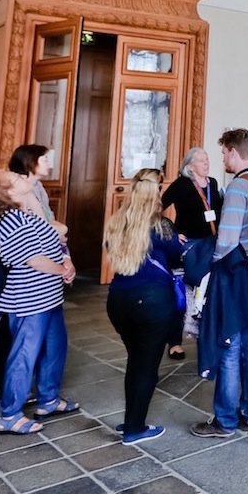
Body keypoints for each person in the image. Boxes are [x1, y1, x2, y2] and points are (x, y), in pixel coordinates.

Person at [190, 128, 248, 437]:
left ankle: (225, 419)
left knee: (228, 341)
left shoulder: (238, 187)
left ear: (235, 152)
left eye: (224, 152)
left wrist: (208, 263)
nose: (222, 158)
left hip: (236, 269)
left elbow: (226, 239)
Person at [0, 168, 77, 435]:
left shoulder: (28, 212)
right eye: (15, 179)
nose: (21, 178)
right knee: (24, 355)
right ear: (8, 193)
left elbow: (56, 236)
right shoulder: (10, 220)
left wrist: (66, 261)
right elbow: (33, 259)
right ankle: (10, 414)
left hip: (49, 295)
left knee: (55, 348)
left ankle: (48, 399)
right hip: (29, 298)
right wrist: (62, 270)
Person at [104, 168, 183, 445]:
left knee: (135, 360)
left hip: (118, 300)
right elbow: (176, 256)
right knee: (146, 366)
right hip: (151, 301)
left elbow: (110, 249)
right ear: (155, 195)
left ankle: (131, 419)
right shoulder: (161, 226)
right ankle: (135, 427)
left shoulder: (116, 222)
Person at [0, 143, 64, 398]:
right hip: (28, 279)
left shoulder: (35, 188)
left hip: (45, 279)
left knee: (45, 341)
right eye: (44, 158)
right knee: (20, 338)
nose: (50, 162)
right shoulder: (15, 198)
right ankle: (6, 392)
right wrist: (59, 241)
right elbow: (36, 238)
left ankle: (41, 393)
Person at [161, 147, 222, 359]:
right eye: (202, 160)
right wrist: (171, 232)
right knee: (183, 293)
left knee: (208, 293)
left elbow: (219, 211)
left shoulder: (212, 183)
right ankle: (175, 341)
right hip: (189, 245)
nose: (207, 163)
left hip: (211, 242)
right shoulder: (181, 184)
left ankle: (205, 334)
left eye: (207, 159)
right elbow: (157, 208)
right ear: (190, 166)